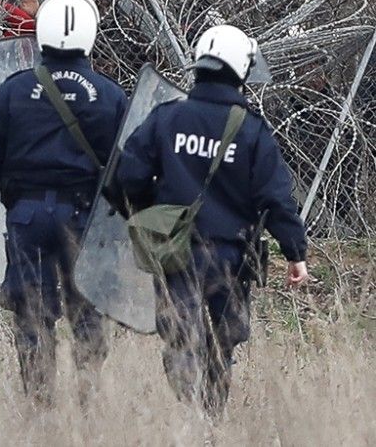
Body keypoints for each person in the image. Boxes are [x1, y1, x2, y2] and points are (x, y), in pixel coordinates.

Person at [113, 24, 309, 416]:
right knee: (224, 341)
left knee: (181, 339)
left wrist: (155, 213)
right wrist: (295, 251)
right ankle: (213, 417)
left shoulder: (167, 118)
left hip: (174, 250)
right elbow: (274, 197)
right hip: (232, 255)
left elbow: (126, 176)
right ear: (240, 69)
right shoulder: (252, 131)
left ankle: (190, 418)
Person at [0, 0, 128, 406]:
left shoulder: (15, 90)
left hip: (27, 216)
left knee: (32, 313)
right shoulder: (109, 94)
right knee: (87, 308)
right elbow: (125, 166)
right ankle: (88, 400)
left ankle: (39, 408)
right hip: (84, 220)